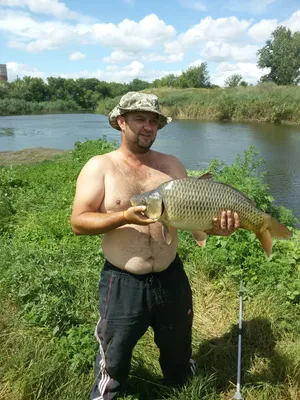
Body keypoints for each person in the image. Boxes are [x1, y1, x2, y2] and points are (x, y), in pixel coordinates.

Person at [70, 92, 240, 400]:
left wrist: (217, 229)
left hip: (170, 276)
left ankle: (184, 389)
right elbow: (79, 222)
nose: (148, 127)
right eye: (140, 119)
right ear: (121, 122)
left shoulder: (171, 166)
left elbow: (194, 220)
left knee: (178, 353)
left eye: (154, 121)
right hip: (123, 281)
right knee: (114, 357)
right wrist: (123, 216)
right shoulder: (100, 167)